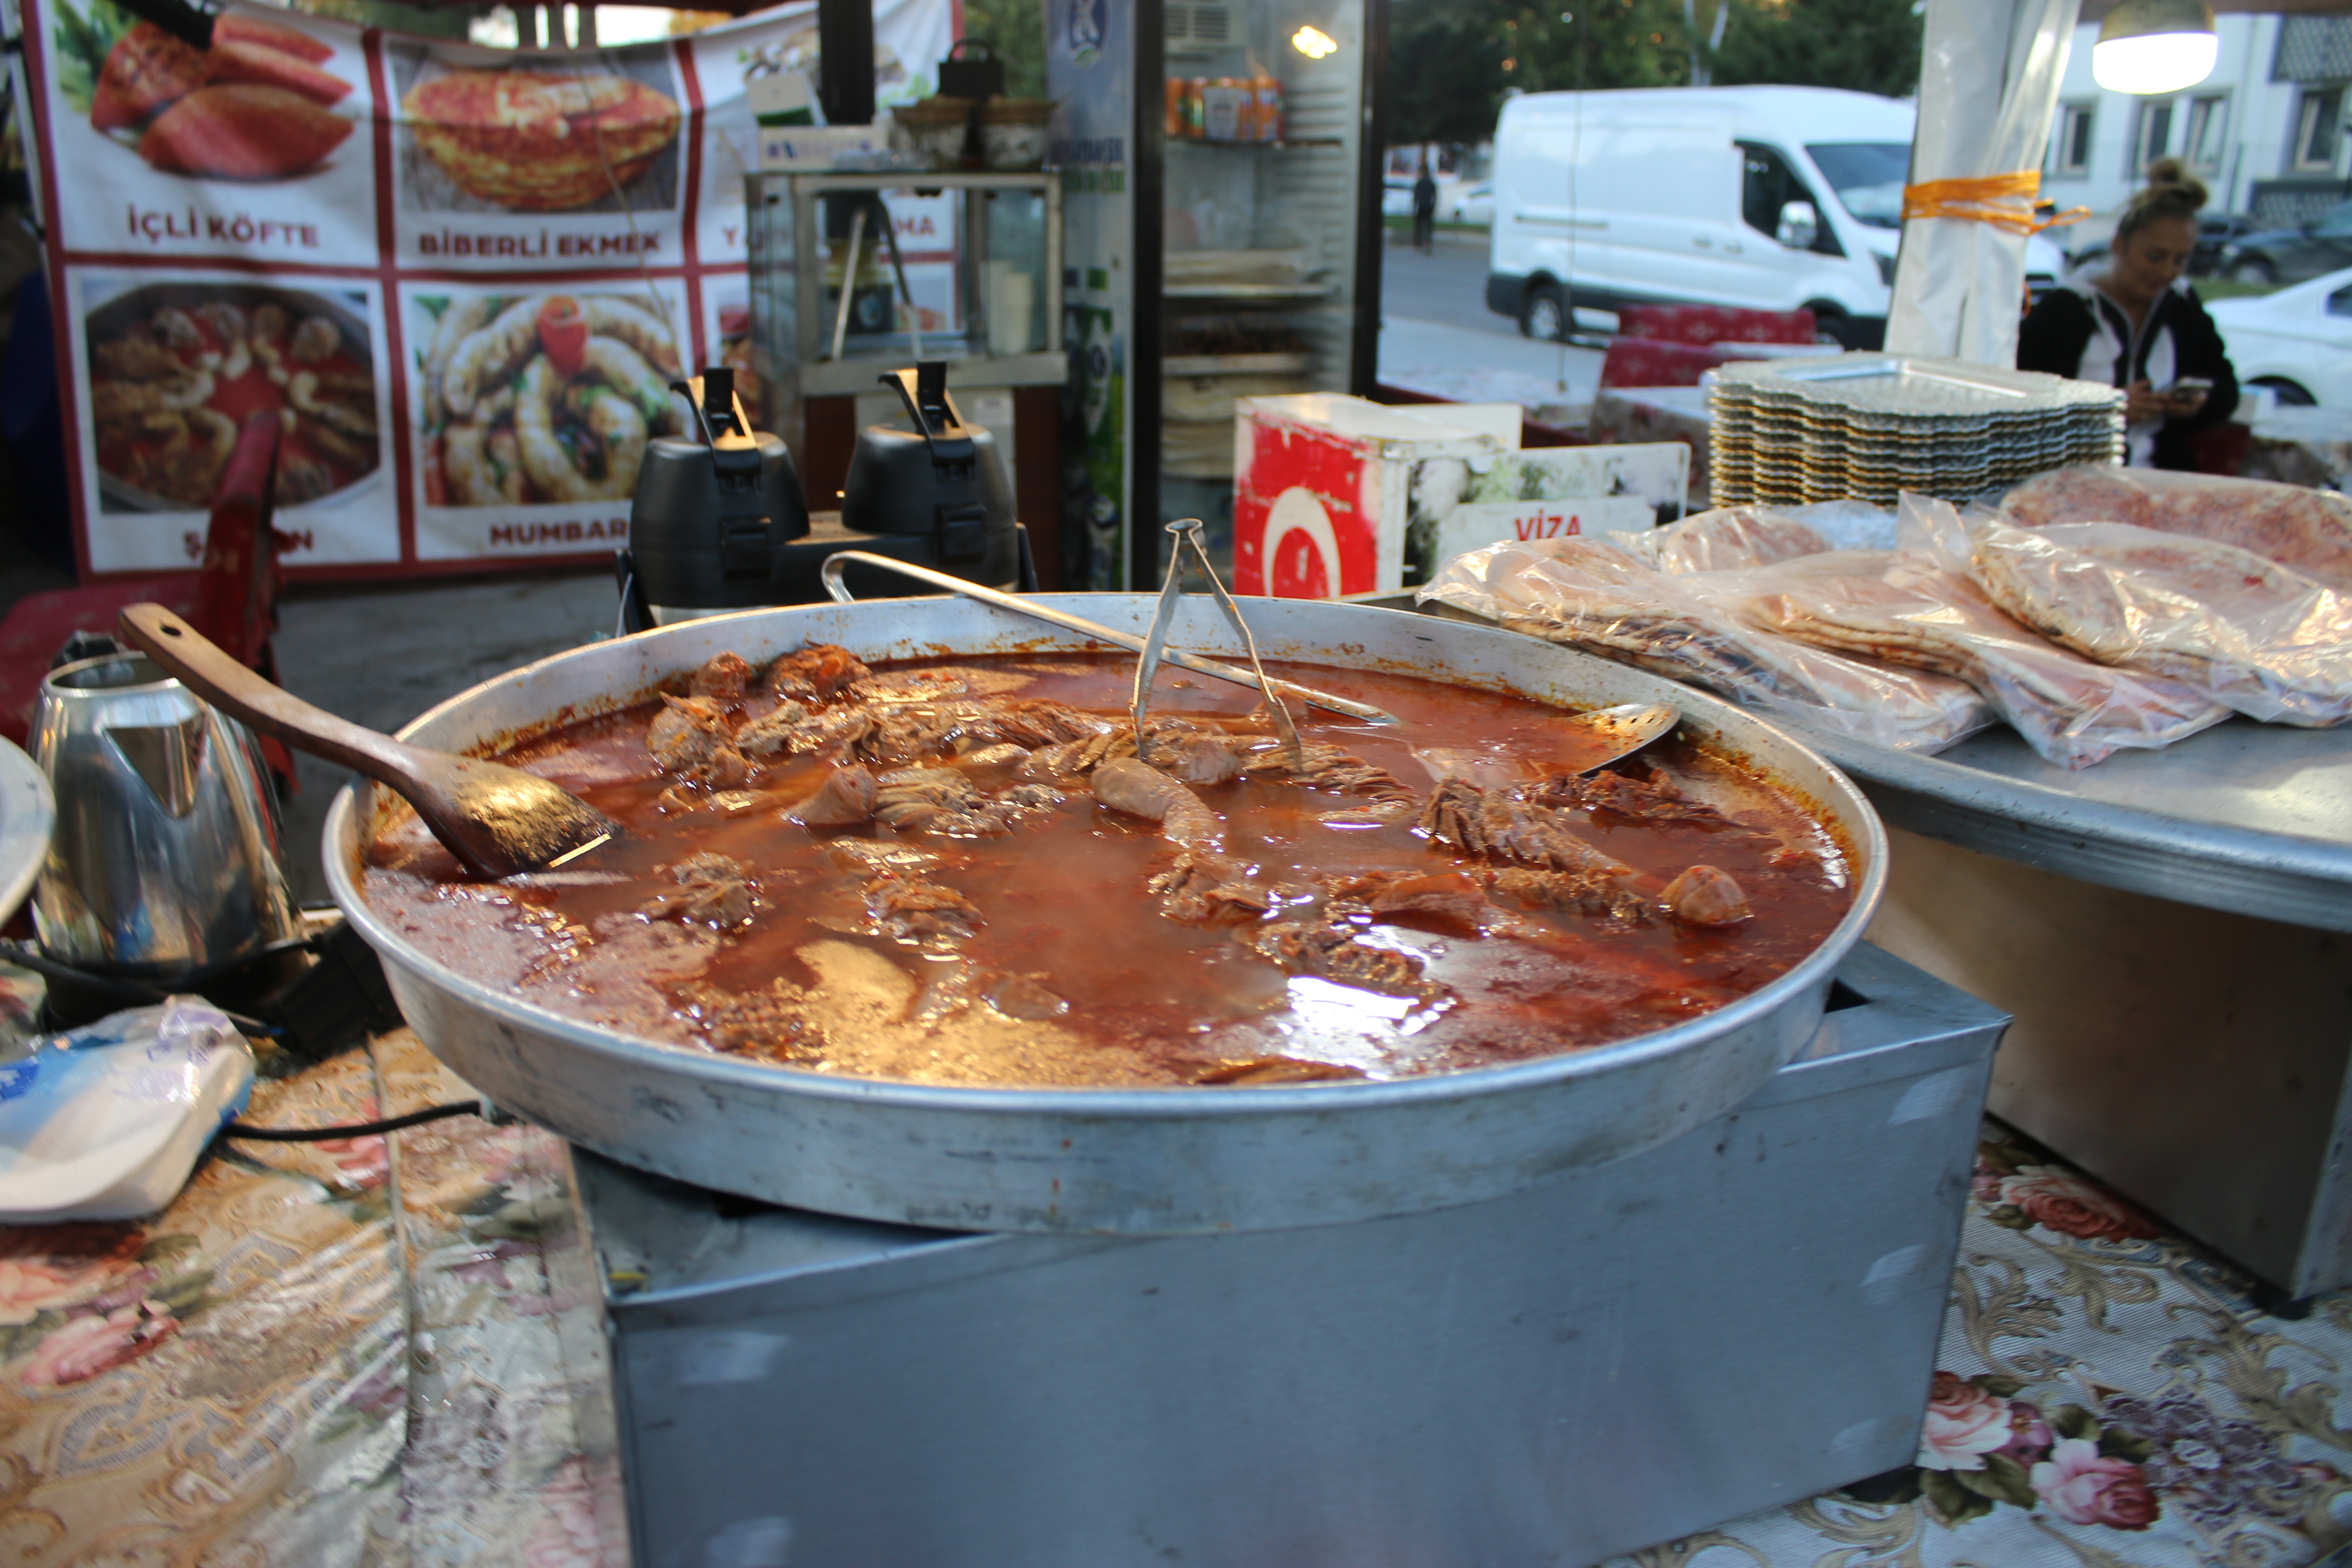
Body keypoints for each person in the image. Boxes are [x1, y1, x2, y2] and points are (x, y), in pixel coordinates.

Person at [2017, 157, 2237, 469]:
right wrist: (2106, 411)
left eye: (2180, 260)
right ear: (2119, 245)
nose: (2166, 271)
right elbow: (2023, 406)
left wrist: (2198, 404)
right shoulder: (2066, 311)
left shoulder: (2182, 307)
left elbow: (2226, 389)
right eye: (2155, 256)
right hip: (2072, 476)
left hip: (2157, 477)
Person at [1412, 162, 1437, 253]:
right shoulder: (1431, 183)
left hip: (1421, 206)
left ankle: (1418, 245)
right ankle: (1428, 243)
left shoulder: (1420, 183)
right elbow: (1434, 197)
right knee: (1428, 227)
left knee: (1419, 226)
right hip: (1429, 206)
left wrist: (1414, 209)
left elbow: (1416, 197)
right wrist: (1433, 207)